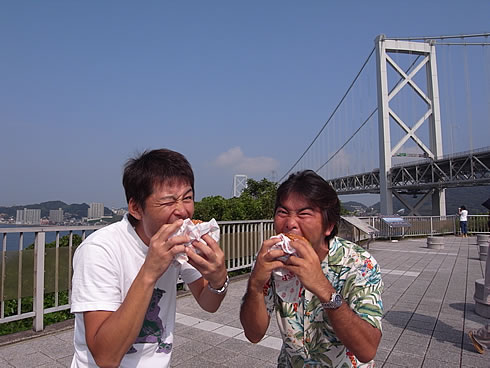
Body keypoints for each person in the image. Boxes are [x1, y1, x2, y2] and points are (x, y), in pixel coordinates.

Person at [70, 149, 229, 368]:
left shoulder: (182, 244)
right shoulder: (99, 249)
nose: (183, 211)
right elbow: (106, 357)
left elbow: (208, 302)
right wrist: (149, 272)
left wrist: (219, 281)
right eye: (168, 202)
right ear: (136, 208)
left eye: (188, 198)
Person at [240, 170, 383, 367]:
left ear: (329, 226)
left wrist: (324, 288)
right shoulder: (271, 258)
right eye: (282, 212)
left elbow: (367, 351)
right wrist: (255, 285)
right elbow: (253, 334)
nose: (290, 224)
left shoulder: (359, 263)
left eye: (304, 214)